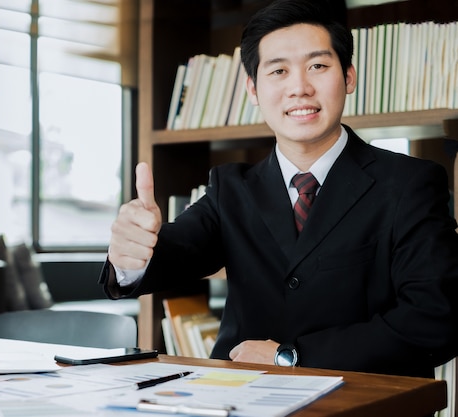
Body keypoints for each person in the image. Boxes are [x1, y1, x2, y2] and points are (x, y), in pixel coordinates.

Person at [99, 0, 458, 378]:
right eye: (279, 71)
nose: (299, 88)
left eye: (318, 66)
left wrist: (290, 356)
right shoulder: (230, 188)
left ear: (349, 77)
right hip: (243, 400)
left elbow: (435, 320)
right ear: (253, 89)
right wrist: (129, 257)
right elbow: (175, 253)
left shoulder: (409, 184)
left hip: (363, 401)